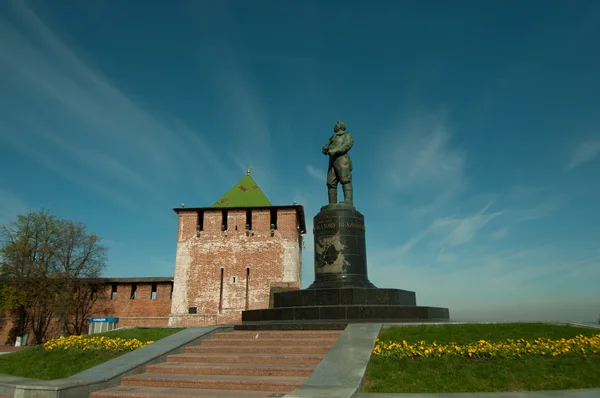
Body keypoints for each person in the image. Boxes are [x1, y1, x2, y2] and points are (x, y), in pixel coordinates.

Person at [322, 121, 354, 205]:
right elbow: (325, 149)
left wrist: (335, 151)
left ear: (340, 126)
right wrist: (325, 149)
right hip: (332, 161)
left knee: (345, 179)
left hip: (342, 159)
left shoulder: (347, 135)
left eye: (336, 125)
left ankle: (348, 201)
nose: (334, 126)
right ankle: (332, 204)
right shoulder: (332, 138)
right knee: (331, 183)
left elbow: (347, 145)